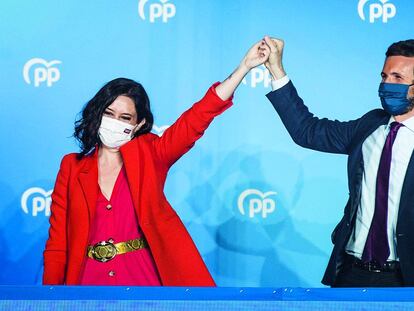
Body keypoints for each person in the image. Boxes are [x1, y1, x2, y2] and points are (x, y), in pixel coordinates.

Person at [43, 40, 271, 286]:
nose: (114, 122)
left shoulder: (151, 153)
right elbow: (57, 244)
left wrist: (243, 68)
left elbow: (196, 119)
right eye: (108, 114)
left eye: (125, 117)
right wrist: (49, 299)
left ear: (138, 124)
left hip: (142, 278)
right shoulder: (71, 166)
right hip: (87, 283)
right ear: (97, 114)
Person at [263, 36, 414, 287]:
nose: (387, 84)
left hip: (405, 279)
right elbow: (306, 131)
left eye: (398, 78)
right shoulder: (369, 125)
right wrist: (277, 70)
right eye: (384, 76)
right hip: (351, 273)